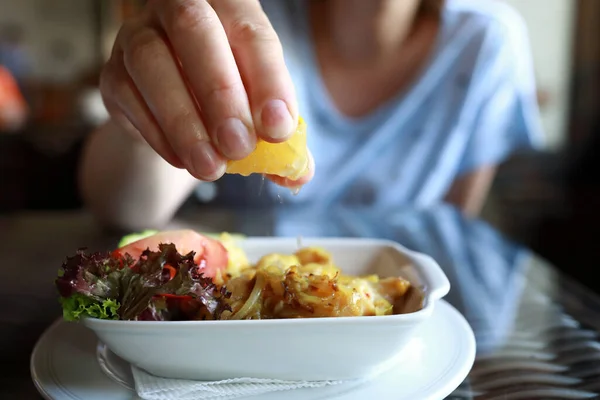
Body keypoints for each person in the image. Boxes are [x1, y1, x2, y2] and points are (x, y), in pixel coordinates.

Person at [79, 0, 544, 235]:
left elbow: (451, 230)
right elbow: (126, 208)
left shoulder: (487, 43)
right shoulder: (245, 20)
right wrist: (145, 121)